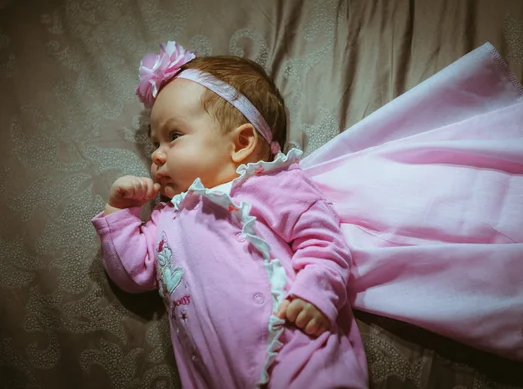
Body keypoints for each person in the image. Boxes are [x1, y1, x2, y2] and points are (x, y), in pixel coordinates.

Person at [91, 41, 368, 389]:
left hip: (298, 350)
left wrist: (315, 292)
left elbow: (324, 239)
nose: (157, 156)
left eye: (173, 136)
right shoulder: (165, 219)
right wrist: (120, 213)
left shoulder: (273, 185)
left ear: (240, 144)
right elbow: (132, 274)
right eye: (154, 144)